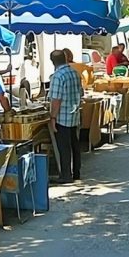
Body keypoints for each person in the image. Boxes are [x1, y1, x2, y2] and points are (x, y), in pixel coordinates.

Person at [48, 50, 84, 183]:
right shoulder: (74, 73)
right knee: (74, 145)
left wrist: (52, 118)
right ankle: (76, 172)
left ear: (52, 62)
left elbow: (56, 100)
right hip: (74, 114)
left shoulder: (57, 76)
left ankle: (66, 175)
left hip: (62, 117)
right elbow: (81, 93)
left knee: (64, 147)